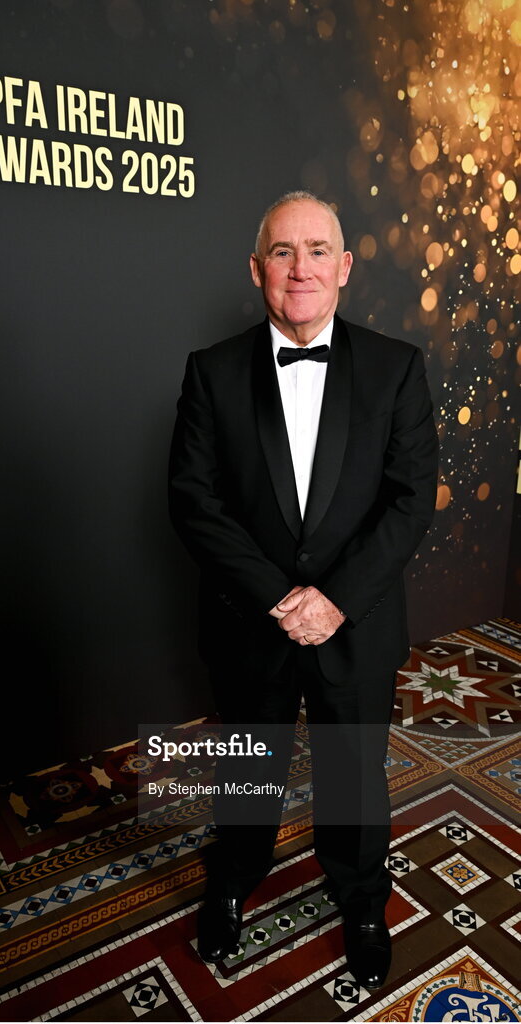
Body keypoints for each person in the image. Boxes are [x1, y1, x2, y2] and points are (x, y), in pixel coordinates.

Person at [168, 190, 439, 989]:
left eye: (317, 250)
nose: (301, 268)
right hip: (251, 622)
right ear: (258, 271)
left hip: (355, 623)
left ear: (345, 267)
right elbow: (193, 499)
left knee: (355, 769)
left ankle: (360, 897)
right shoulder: (210, 372)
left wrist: (335, 600)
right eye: (283, 252)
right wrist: (280, 600)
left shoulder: (397, 368)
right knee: (249, 763)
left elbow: (410, 499)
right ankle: (233, 877)